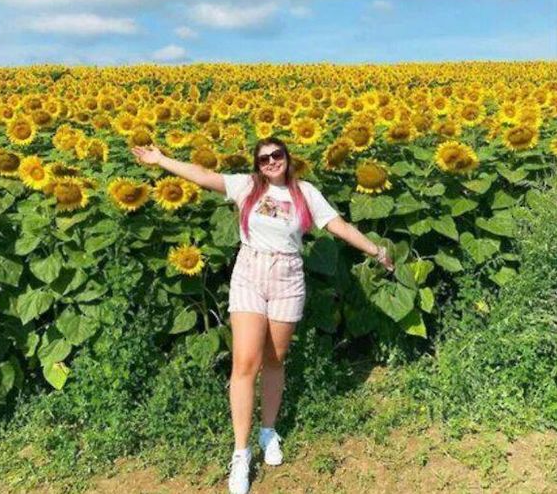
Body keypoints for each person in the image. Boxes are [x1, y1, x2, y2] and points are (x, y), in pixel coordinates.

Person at [131, 137, 394, 494]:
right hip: (250, 273)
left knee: (275, 358)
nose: (271, 162)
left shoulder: (306, 193)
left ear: (288, 158)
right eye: (264, 158)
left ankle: (268, 431)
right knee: (245, 362)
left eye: (277, 155)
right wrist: (161, 159)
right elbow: (202, 175)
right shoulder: (247, 186)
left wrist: (377, 251)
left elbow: (339, 226)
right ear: (257, 164)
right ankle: (241, 453)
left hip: (287, 278)